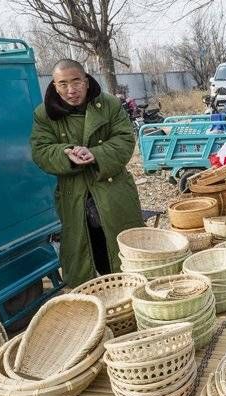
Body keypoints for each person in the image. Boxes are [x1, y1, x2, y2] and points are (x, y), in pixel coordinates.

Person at [31, 59, 144, 287]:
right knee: (84, 251)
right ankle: (97, 301)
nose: (71, 90)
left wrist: (96, 154)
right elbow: (40, 150)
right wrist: (66, 154)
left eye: (76, 82)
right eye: (62, 84)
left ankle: (132, 291)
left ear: (86, 80)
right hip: (74, 195)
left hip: (113, 191)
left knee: (123, 248)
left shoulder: (109, 104)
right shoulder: (44, 114)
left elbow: (124, 140)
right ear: (54, 85)